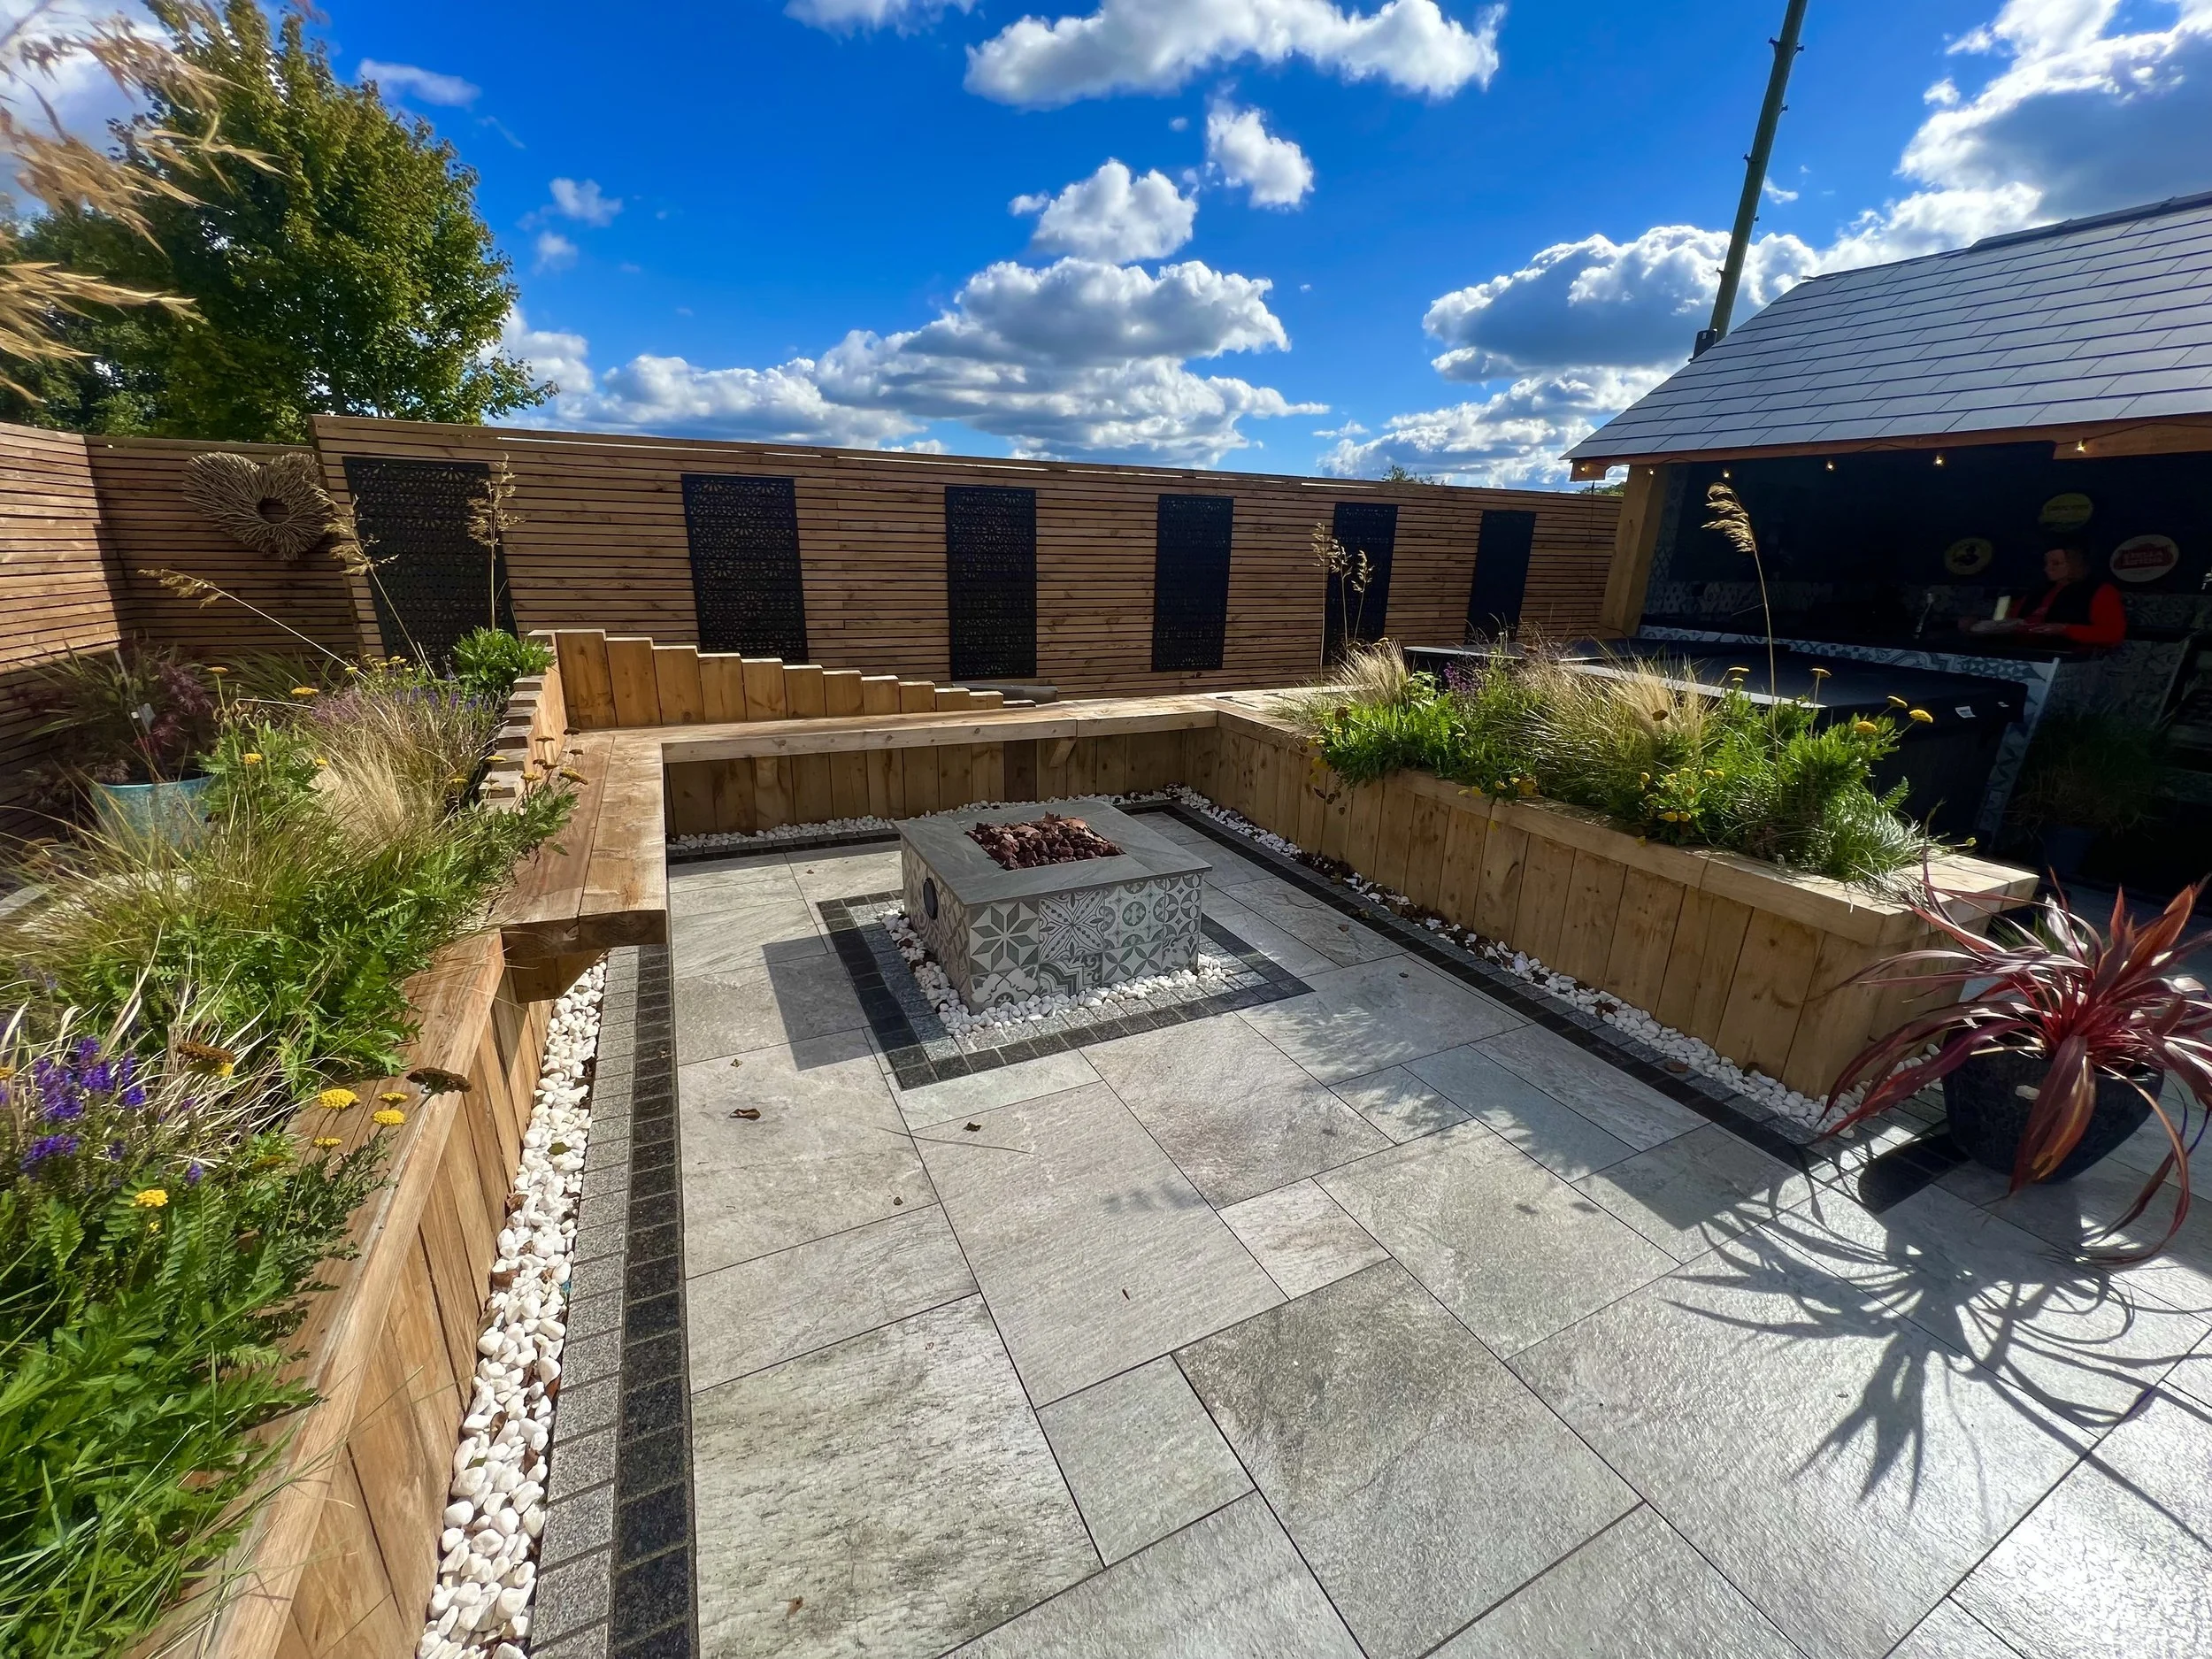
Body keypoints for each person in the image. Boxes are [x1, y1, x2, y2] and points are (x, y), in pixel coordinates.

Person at [1962, 543, 2127, 648]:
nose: (2047, 568)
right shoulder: (2039, 590)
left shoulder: (2101, 591)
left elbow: (2113, 634)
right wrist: (1978, 625)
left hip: (2067, 657)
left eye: (2056, 563)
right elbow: (2006, 622)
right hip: (2021, 651)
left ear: (2076, 564)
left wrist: (2065, 630)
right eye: (2047, 563)